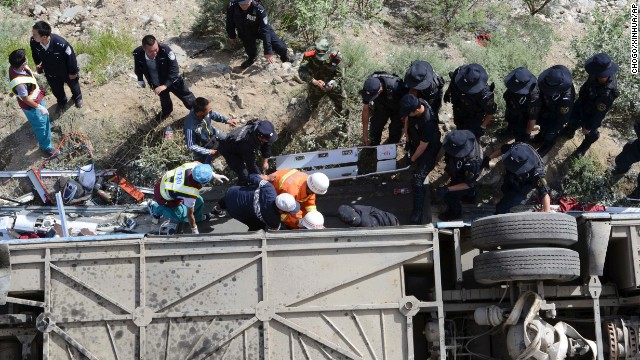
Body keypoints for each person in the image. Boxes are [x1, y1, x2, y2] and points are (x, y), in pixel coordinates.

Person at [561, 53, 620, 157]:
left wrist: (588, 127)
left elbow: (599, 114)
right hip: (583, 101)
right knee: (572, 118)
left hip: (592, 113)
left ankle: (584, 146)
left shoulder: (607, 94)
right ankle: (569, 131)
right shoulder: (598, 73)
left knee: (589, 132)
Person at [147, 162, 228, 234]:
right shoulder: (190, 192)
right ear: (202, 183)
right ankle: (154, 207)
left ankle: (198, 218)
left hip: (167, 182)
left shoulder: (193, 166)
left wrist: (213, 174)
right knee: (180, 216)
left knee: (200, 201)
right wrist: (194, 229)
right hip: (162, 194)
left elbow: (199, 163)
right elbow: (189, 214)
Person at [400, 94, 442, 224]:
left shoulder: (429, 123)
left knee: (417, 181)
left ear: (417, 110)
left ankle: (418, 211)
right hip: (416, 140)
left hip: (428, 149)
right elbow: (407, 119)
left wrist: (412, 159)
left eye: (409, 113)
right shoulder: (417, 103)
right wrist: (407, 137)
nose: (407, 115)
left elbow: (423, 147)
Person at [133, 34, 195, 118]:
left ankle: (198, 113)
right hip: (157, 83)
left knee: (187, 98)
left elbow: (175, 69)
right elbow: (138, 67)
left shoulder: (165, 50)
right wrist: (140, 79)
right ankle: (165, 113)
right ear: (144, 49)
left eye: (156, 49)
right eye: (151, 51)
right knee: (165, 101)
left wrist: (165, 85)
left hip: (173, 81)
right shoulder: (138, 53)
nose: (154, 53)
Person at [8, 49, 56, 155]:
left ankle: (47, 125)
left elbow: (26, 70)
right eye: (25, 58)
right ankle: (46, 147)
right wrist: (39, 107)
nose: (26, 59)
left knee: (44, 119)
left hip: (35, 97)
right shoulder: (20, 84)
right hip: (31, 105)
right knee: (40, 124)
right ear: (22, 62)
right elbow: (26, 99)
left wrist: (34, 74)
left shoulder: (14, 67)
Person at [30, 21, 83, 111]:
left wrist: (73, 72)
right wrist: (37, 63)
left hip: (65, 70)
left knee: (73, 85)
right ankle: (62, 102)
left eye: (35, 34)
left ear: (44, 37)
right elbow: (34, 52)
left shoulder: (61, 44)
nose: (33, 36)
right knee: (56, 89)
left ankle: (77, 97)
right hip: (50, 71)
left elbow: (71, 58)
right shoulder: (34, 42)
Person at [218, 173, 300, 231]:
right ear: (281, 211)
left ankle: (216, 210)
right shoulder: (274, 220)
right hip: (234, 210)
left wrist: (267, 178)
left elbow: (251, 177)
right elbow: (274, 232)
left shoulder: (269, 188)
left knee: (226, 200)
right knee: (258, 227)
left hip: (233, 192)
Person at [488, 143, 551, 214]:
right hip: (512, 176)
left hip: (522, 186)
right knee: (505, 188)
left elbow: (544, 193)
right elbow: (502, 149)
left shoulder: (537, 172)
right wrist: (488, 158)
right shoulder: (517, 149)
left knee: (502, 207)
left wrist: (547, 214)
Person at [226, 0, 291, 69]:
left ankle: (284, 58)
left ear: (251, 0)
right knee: (250, 50)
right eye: (241, 4)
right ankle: (252, 58)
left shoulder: (259, 8)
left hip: (261, 30)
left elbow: (265, 29)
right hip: (245, 31)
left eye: (246, 4)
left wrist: (268, 52)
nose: (243, 6)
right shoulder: (232, 6)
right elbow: (229, 22)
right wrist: (232, 36)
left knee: (280, 47)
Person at [436, 130, 483, 221]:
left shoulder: (472, 163)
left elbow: (468, 184)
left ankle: (454, 213)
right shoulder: (464, 137)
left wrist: (447, 189)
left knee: (451, 196)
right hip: (460, 170)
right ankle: (470, 196)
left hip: (464, 178)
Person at [443, 63, 496, 138]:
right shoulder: (459, 73)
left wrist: (482, 127)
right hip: (458, 108)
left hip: (473, 116)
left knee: (470, 135)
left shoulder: (484, 94)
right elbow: (452, 83)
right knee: (459, 124)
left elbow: (491, 111)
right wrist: (448, 93)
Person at [217, 119, 277, 185]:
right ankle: (239, 190)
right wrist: (265, 178)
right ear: (260, 137)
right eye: (267, 139)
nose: (268, 140)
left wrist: (265, 161)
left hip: (240, 147)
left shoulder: (261, 127)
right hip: (230, 150)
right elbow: (251, 164)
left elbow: (267, 145)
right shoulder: (247, 143)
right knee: (244, 175)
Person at [264, 169, 329, 229]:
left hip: (286, 187)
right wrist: (296, 222)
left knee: (304, 217)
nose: (315, 193)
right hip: (273, 194)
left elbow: (310, 202)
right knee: (294, 221)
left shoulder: (310, 181)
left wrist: (315, 220)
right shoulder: (291, 192)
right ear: (312, 190)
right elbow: (283, 212)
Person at [532, 65, 575, 157]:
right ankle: (540, 137)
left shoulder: (565, 100)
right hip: (547, 110)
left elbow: (562, 119)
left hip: (556, 117)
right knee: (543, 126)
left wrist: (553, 129)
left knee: (550, 133)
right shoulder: (548, 81)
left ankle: (547, 145)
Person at [298, 39, 346, 116]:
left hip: (332, 84)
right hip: (315, 84)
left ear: (328, 51)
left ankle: (341, 118)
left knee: (341, 104)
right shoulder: (309, 55)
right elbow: (302, 71)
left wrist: (332, 85)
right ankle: (307, 115)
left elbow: (340, 75)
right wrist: (313, 81)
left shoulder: (336, 57)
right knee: (311, 103)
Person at [184, 97, 238, 164]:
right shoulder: (190, 127)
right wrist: (208, 151)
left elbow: (213, 114)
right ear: (200, 112)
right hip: (203, 144)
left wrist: (227, 120)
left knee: (229, 139)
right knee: (203, 163)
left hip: (213, 133)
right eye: (208, 110)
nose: (210, 110)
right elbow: (191, 145)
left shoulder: (207, 112)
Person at [361, 72, 406, 146]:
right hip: (382, 105)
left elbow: (408, 101)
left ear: (380, 89)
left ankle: (392, 145)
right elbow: (365, 110)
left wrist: (405, 117)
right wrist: (364, 135)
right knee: (375, 125)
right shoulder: (369, 87)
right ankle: (374, 144)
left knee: (396, 128)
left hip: (397, 106)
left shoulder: (397, 87)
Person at [499, 67, 540, 143]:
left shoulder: (533, 97)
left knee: (520, 136)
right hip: (512, 109)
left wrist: (527, 134)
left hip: (522, 118)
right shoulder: (514, 81)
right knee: (510, 122)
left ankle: (518, 143)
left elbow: (532, 117)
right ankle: (509, 131)